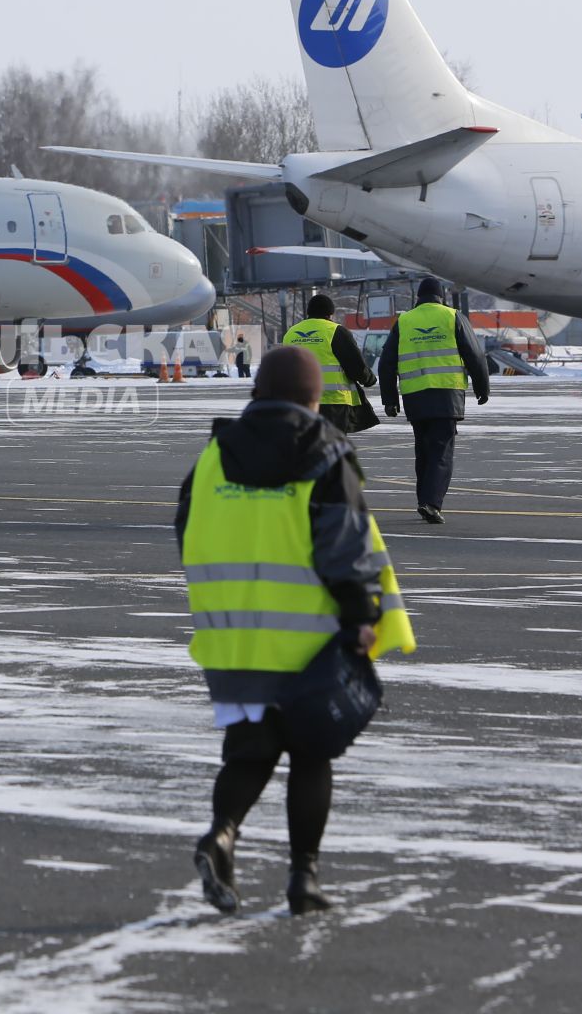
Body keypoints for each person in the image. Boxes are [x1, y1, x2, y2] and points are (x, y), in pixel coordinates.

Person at [174, 345, 413, 915]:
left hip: (232, 636)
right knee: (310, 755)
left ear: (257, 390)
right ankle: (303, 879)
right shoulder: (326, 452)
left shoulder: (213, 454)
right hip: (308, 636)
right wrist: (361, 619)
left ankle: (222, 834)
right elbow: (347, 545)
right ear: (313, 397)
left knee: (250, 751)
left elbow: (187, 530)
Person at [378, 278, 491, 524]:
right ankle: (431, 503)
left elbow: (386, 362)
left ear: (418, 297)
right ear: (442, 297)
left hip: (414, 397)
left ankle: (423, 501)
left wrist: (389, 399)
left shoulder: (405, 321)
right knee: (441, 451)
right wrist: (482, 388)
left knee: (424, 450)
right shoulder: (453, 317)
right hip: (446, 396)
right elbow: (475, 355)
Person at [282, 295, 375, 433]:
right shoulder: (335, 331)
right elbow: (355, 366)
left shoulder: (291, 333)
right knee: (332, 448)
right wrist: (369, 379)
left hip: (300, 402)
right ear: (330, 313)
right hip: (333, 402)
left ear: (309, 312)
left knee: (306, 447)